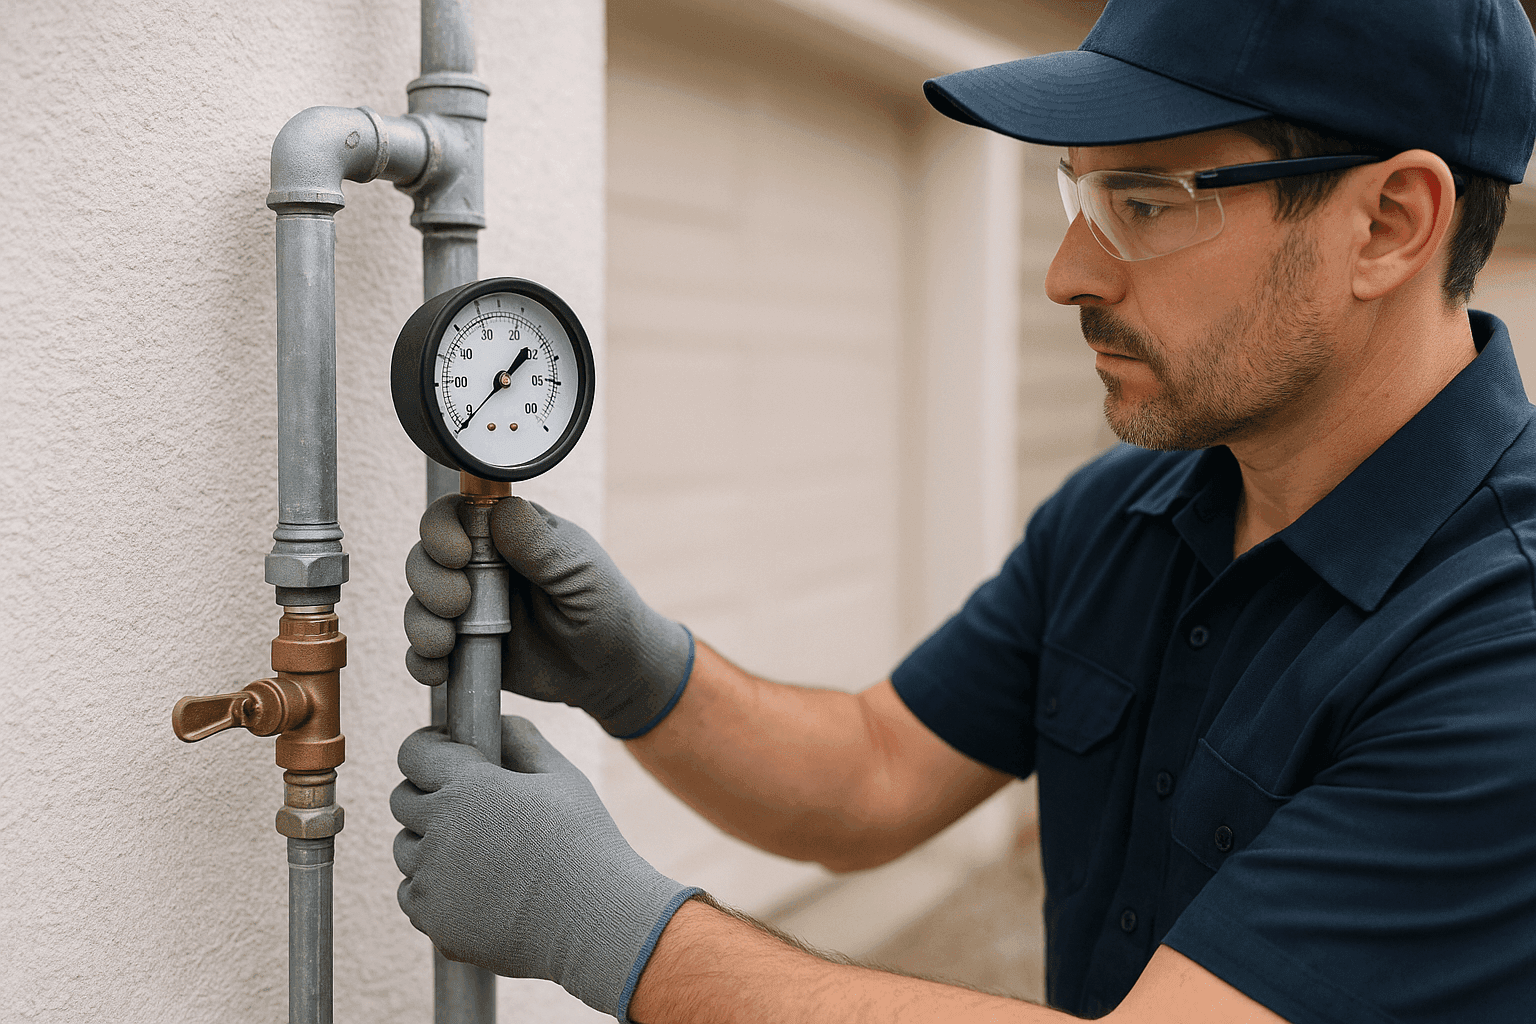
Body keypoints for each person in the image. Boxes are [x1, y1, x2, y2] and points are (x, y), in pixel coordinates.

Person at [389, 0, 1536, 1020]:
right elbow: (877, 770)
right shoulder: (1129, 509)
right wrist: (639, 674)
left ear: (1387, 224)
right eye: (1080, 192)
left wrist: (613, 930)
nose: (1068, 273)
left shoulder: (1503, 644)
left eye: (1143, 200)